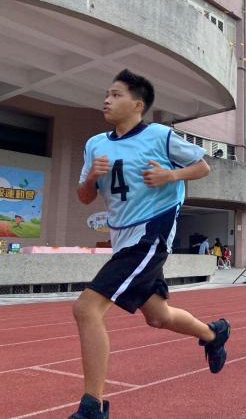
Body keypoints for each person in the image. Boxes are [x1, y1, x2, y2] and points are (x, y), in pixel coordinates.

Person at [71, 69, 230, 419]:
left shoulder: (159, 135)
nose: (106, 100)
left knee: (86, 309)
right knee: (158, 316)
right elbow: (84, 197)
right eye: (106, 94)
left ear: (137, 104)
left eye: (116, 95)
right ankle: (214, 334)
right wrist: (93, 177)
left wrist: (170, 175)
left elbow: (202, 167)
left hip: (150, 235)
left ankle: (93, 407)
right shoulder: (95, 144)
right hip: (122, 238)